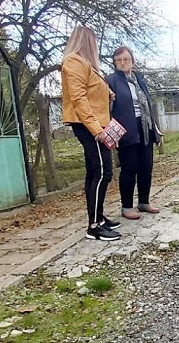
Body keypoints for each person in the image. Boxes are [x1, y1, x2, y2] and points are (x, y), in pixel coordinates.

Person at [61, 26, 121, 241]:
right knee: (103, 172)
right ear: (87, 42)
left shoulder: (87, 65)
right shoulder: (74, 62)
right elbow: (79, 99)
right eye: (93, 42)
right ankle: (94, 226)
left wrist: (109, 94)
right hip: (89, 125)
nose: (96, 46)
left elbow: (92, 90)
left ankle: (99, 217)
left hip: (96, 123)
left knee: (95, 172)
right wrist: (97, 130)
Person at [107, 47, 163, 220]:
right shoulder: (111, 81)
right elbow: (106, 108)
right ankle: (127, 206)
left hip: (145, 127)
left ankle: (144, 202)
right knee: (129, 168)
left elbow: (147, 103)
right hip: (125, 129)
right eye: (119, 60)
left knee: (146, 166)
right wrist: (110, 133)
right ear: (115, 63)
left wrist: (155, 127)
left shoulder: (139, 79)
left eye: (126, 59)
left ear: (132, 60)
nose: (123, 63)